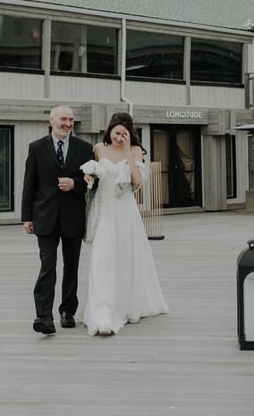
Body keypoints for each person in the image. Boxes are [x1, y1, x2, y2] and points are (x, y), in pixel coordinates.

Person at [78, 112, 168, 336]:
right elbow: (94, 177)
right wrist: (88, 177)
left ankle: (124, 304)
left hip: (125, 211)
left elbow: (137, 182)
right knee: (102, 259)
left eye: (124, 134)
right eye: (117, 133)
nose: (120, 137)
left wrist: (128, 153)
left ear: (130, 135)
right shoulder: (98, 149)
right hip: (104, 211)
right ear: (110, 130)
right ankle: (101, 313)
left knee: (125, 259)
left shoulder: (136, 151)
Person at [21, 104, 94, 335]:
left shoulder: (84, 148)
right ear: (52, 120)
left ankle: (67, 311)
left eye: (71, 120)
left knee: (71, 266)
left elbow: (94, 181)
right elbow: (29, 184)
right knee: (47, 265)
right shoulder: (36, 147)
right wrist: (26, 217)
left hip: (73, 216)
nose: (68, 124)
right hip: (45, 217)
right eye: (64, 119)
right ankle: (43, 316)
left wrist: (76, 184)